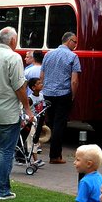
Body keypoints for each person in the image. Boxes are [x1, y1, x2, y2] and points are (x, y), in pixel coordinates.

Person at [0, 26, 33, 201]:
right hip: (8, 112)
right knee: (5, 151)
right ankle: (2, 189)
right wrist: (27, 108)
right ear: (12, 40)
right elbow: (19, 86)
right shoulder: (14, 57)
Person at [41, 32, 83, 164]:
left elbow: (42, 75)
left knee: (52, 122)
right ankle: (55, 156)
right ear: (69, 41)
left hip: (48, 93)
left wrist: (43, 90)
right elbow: (74, 80)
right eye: (75, 42)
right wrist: (73, 95)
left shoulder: (48, 54)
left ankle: (52, 152)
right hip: (63, 93)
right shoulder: (73, 57)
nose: (76, 45)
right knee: (60, 124)